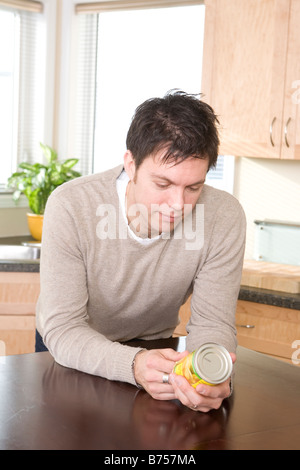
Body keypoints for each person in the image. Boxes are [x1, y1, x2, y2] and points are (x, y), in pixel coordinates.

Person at [36, 90, 246, 413]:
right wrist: (133, 364)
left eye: (193, 188)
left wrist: (211, 378)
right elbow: (64, 329)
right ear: (130, 164)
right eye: (163, 185)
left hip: (155, 349)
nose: (178, 205)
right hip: (72, 355)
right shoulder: (70, 206)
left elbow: (213, 324)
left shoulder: (224, 217)